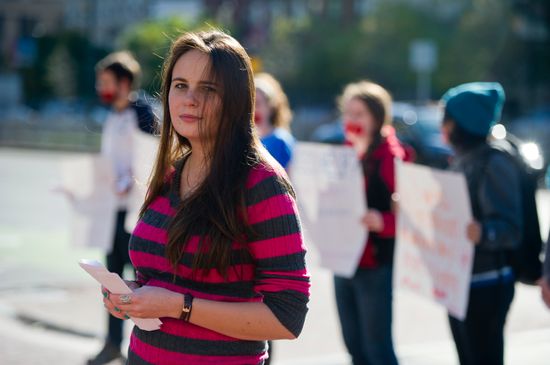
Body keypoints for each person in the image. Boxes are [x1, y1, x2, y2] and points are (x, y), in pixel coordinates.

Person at [100, 30, 310, 365]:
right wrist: (133, 296)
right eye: (180, 85)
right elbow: (164, 278)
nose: (190, 99)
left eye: (208, 89)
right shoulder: (171, 173)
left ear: (237, 99)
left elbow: (287, 317)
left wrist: (178, 305)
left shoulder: (262, 183)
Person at [440, 82, 522, 365]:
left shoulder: (494, 162)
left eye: (446, 117)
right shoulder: (463, 158)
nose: (443, 125)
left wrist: (483, 232)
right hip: (461, 281)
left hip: (487, 283)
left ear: (462, 122)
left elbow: (511, 230)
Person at [86, 51, 156, 365]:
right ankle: (113, 343)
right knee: (111, 279)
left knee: (142, 280)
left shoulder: (142, 114)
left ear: (124, 82)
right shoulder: (112, 116)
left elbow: (153, 159)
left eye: (108, 82)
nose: (103, 88)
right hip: (110, 211)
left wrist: (132, 181)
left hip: (136, 213)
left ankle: (146, 344)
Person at [334, 80, 405, 365]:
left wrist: (383, 221)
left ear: (377, 118)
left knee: (378, 350)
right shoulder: (343, 153)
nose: (351, 121)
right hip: (343, 260)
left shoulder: (391, 156)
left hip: (374, 264)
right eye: (348, 114)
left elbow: (409, 216)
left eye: (359, 114)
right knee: (354, 346)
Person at [254, 72, 295, 169]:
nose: (254, 110)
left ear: (270, 107)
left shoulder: (280, 140)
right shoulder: (247, 138)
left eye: (258, 104)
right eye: (251, 104)